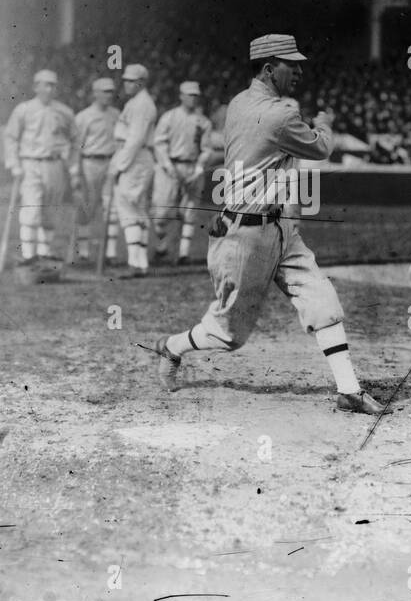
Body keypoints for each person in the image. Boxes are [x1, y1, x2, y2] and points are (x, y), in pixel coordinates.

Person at [152, 33, 390, 415]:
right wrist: (326, 123)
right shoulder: (280, 114)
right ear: (267, 68)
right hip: (247, 236)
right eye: (290, 64)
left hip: (277, 228)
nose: (298, 70)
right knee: (227, 334)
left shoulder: (237, 104)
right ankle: (172, 346)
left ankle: (349, 390)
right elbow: (321, 148)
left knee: (322, 299)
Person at [3, 69, 80, 267]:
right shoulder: (23, 109)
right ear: (36, 87)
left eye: (53, 85)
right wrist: (14, 164)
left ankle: (44, 254)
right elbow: (11, 137)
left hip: (54, 164)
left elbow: (75, 140)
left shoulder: (64, 111)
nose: (49, 89)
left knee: (50, 210)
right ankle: (29, 255)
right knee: (31, 208)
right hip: (30, 163)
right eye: (45, 84)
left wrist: (72, 166)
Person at [152, 81, 213, 264]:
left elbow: (207, 149)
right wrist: (168, 167)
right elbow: (159, 143)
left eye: (195, 95)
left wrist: (199, 169)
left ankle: (183, 254)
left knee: (189, 210)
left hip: (192, 167)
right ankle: (162, 247)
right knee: (162, 210)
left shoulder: (203, 122)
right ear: (181, 96)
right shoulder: (169, 117)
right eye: (189, 94)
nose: (192, 98)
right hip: (170, 167)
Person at [109, 63, 159, 278]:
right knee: (136, 208)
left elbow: (135, 139)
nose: (127, 84)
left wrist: (119, 166)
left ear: (141, 82)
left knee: (128, 207)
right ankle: (140, 263)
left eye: (132, 80)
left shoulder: (142, 104)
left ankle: (135, 263)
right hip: (137, 157)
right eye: (126, 80)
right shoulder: (137, 102)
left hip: (135, 158)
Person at [74, 77, 121, 265]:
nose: (109, 95)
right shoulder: (84, 116)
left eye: (111, 91)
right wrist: (76, 173)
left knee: (112, 208)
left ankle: (110, 253)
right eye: (105, 91)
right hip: (89, 163)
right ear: (95, 93)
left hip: (110, 162)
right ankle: (84, 253)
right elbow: (77, 147)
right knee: (87, 207)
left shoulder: (116, 114)